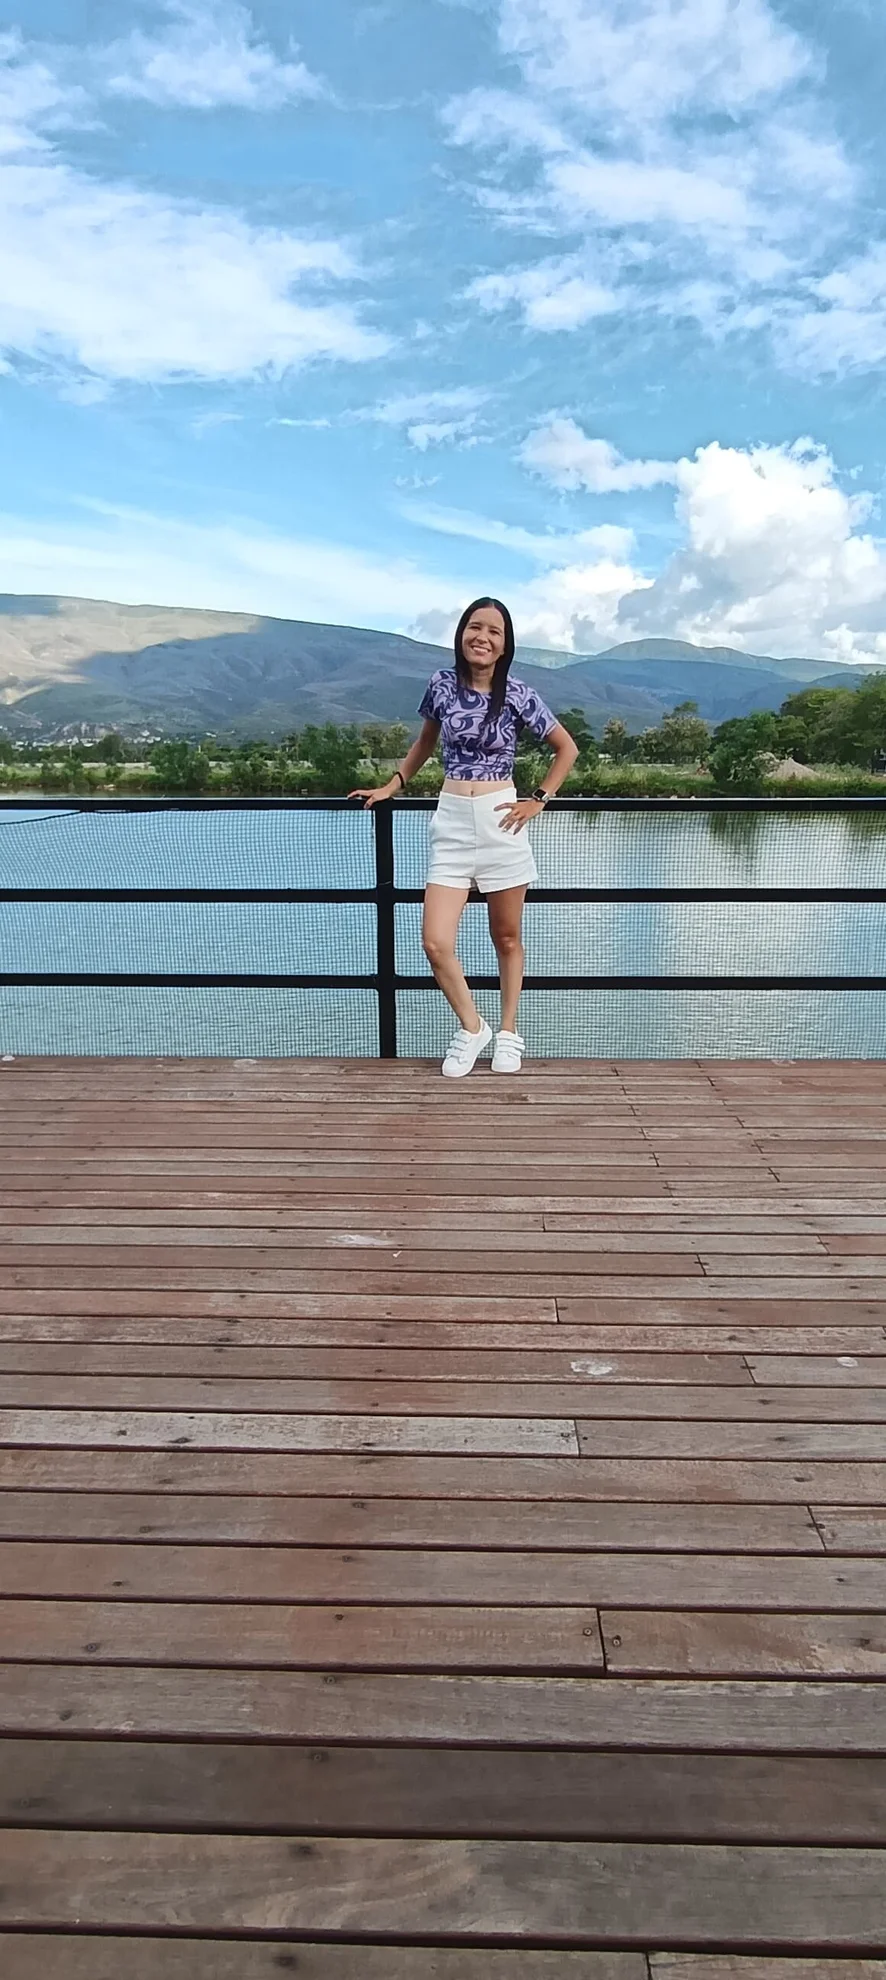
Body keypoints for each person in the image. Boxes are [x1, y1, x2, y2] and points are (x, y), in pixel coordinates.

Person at [351, 596, 578, 1077]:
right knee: (434, 942)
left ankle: (509, 1032)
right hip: (452, 821)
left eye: (494, 631)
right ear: (461, 633)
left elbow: (566, 748)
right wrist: (393, 785)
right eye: (475, 627)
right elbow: (425, 742)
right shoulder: (441, 684)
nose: (483, 637)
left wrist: (538, 799)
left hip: (501, 821)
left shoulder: (518, 694)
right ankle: (473, 1027)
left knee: (507, 937)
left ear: (505, 645)